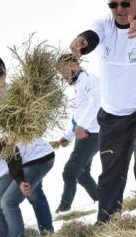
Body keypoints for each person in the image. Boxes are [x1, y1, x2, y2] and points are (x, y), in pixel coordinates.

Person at [70, 0, 136, 223]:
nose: (120, 9)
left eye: (125, 3)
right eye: (114, 4)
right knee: (111, 172)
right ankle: (107, 222)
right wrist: (82, 41)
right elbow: (91, 36)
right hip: (113, 114)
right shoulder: (104, 25)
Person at [0, 56, 54, 235]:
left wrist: (18, 129)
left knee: (28, 196)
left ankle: (48, 232)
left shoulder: (20, 95)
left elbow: (39, 126)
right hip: (9, 160)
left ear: (2, 77)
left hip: (32, 156)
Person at [54, 53, 101, 213]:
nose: (63, 76)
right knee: (81, 174)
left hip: (92, 133)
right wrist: (67, 136)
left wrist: (82, 125)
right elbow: (78, 114)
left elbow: (97, 102)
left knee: (69, 172)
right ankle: (102, 200)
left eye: (63, 71)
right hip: (84, 133)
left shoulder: (89, 80)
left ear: (72, 66)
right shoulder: (78, 85)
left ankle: (63, 210)